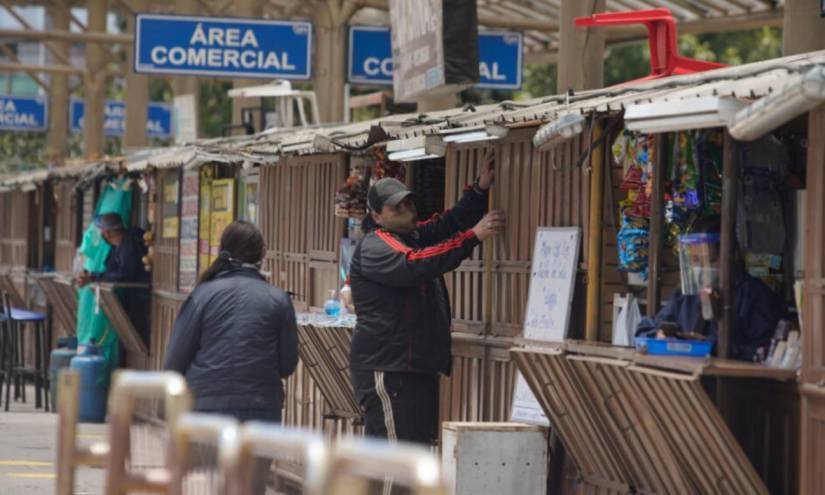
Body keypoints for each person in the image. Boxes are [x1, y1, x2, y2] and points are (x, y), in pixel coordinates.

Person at [349, 154, 504, 448]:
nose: (407, 209)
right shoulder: (376, 244)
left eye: (409, 203)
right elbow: (415, 264)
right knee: (397, 460)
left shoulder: (412, 235)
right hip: (389, 370)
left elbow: (448, 223)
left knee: (414, 455)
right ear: (378, 216)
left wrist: (479, 190)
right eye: (397, 207)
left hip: (411, 369)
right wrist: (474, 236)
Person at [163, 221, 298, 494]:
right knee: (251, 487)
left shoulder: (202, 295)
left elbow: (174, 361)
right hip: (262, 408)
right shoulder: (278, 299)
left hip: (208, 407)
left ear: (222, 250)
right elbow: (287, 364)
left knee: (217, 484)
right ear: (261, 255)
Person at [636, 217, 785, 361]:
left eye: (710, 260)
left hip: (732, 383)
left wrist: (711, 347)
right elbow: (645, 328)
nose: (701, 268)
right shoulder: (686, 296)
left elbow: (764, 353)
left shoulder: (757, 296)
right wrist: (659, 335)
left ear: (732, 256)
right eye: (695, 260)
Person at [76, 212, 151, 342]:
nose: (100, 234)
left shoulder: (129, 245)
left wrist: (94, 277)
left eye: (101, 230)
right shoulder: (116, 247)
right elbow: (110, 270)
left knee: (139, 336)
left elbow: (124, 274)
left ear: (107, 233)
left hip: (141, 299)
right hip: (132, 298)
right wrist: (92, 276)